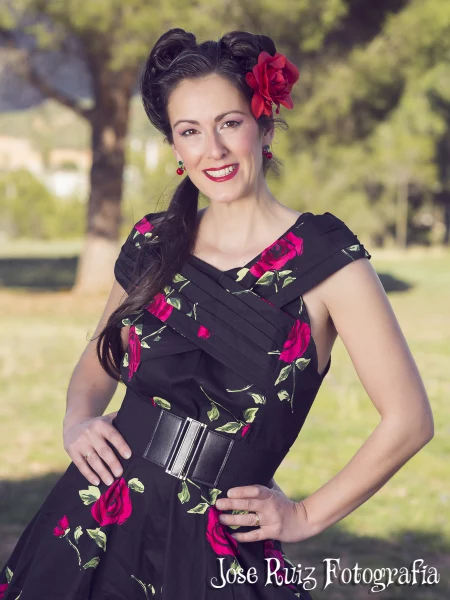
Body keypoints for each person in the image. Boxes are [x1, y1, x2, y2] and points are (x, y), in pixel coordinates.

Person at [0, 27, 434, 600]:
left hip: (219, 542)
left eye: (229, 123)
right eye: (190, 131)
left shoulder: (329, 261)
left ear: (264, 124)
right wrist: (78, 420)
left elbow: (409, 420)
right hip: (97, 518)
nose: (214, 149)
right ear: (175, 148)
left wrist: (306, 515)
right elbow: (96, 366)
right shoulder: (153, 242)